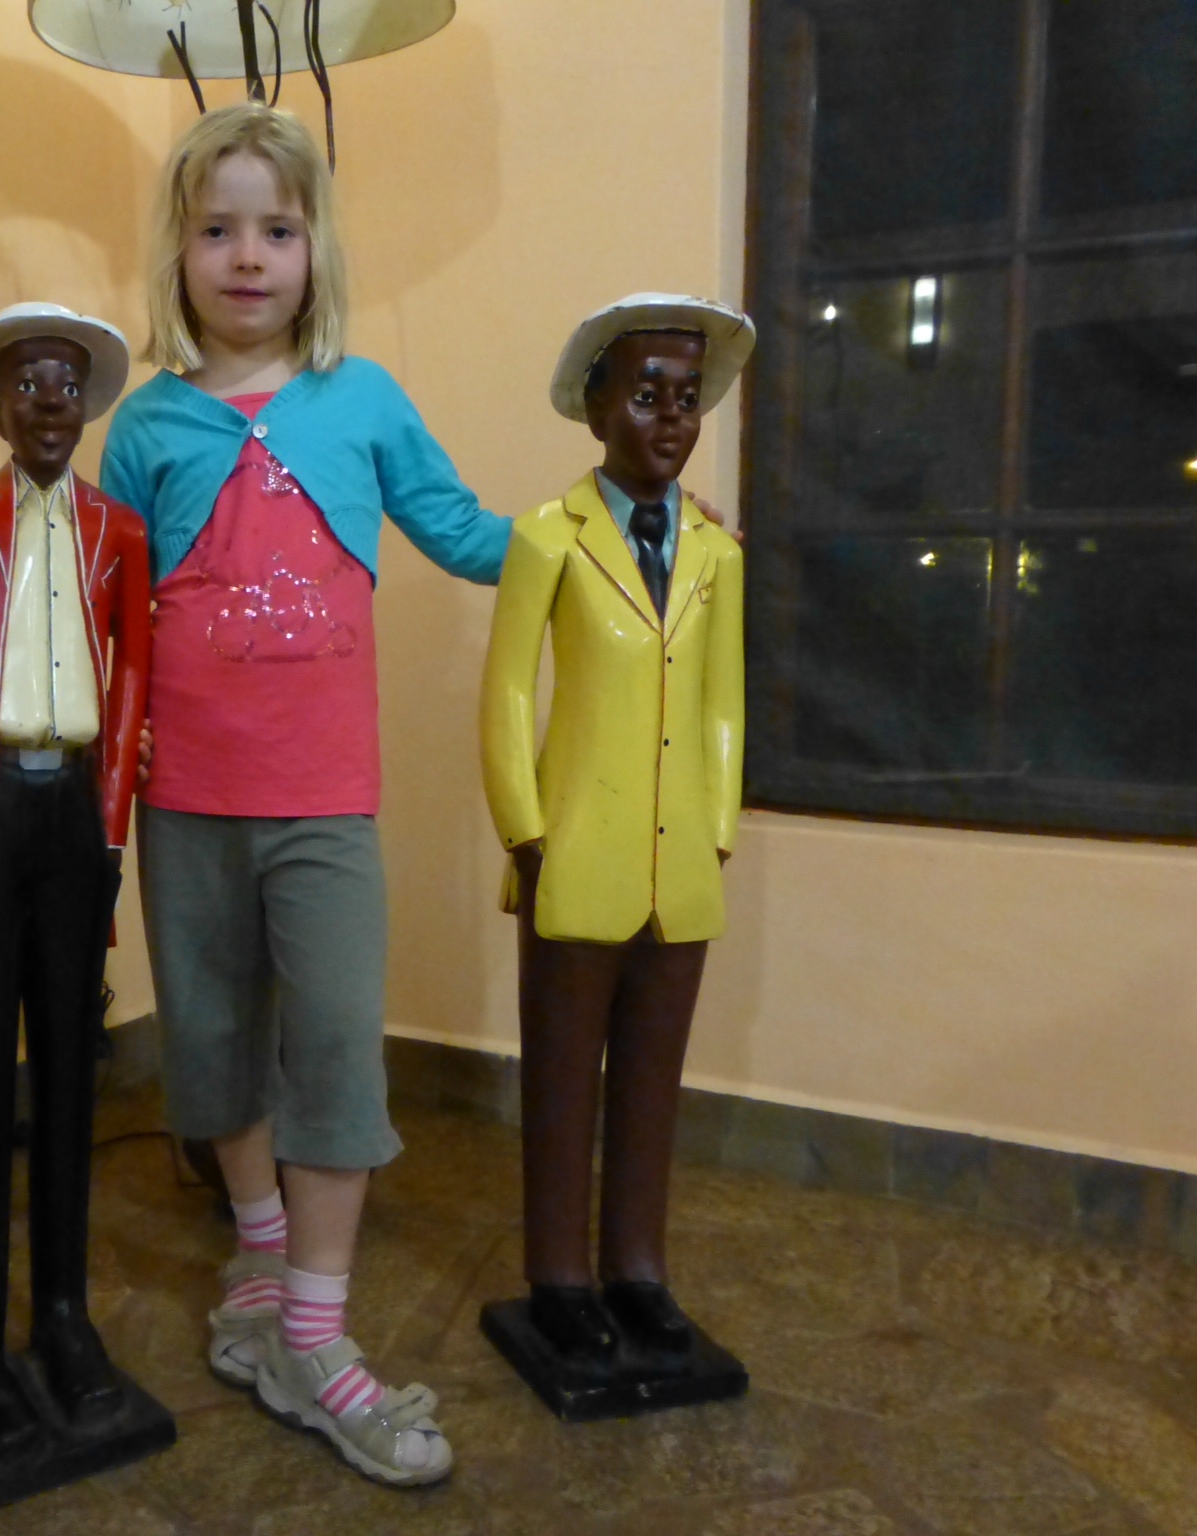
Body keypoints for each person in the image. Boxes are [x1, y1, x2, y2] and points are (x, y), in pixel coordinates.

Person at [99, 102, 504, 1487]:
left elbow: (466, 534)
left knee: (331, 1050)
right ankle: (262, 1261)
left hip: (324, 800)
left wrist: (622, 523)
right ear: (178, 254)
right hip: (184, 802)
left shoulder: (362, 400)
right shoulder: (144, 424)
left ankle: (316, 1340)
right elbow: (105, 613)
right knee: (213, 1047)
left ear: (315, 247)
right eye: (217, 229)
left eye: (276, 228)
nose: (247, 255)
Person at [480, 295, 751, 1384]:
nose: (671, 418)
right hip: (574, 850)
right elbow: (507, 693)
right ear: (596, 409)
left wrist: (717, 826)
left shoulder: (715, 553)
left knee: (651, 1077)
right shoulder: (547, 538)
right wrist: (526, 829)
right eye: (645, 395)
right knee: (560, 1077)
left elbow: (724, 701)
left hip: (678, 858)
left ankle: (637, 1266)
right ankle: (558, 1276)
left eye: (686, 397)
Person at [0, 304, 154, 1465]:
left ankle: (62, 1314)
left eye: (66, 382)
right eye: (27, 383)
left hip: (72, 814)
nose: (48, 401)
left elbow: (133, 679)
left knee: (69, 1070)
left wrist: (110, 827)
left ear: (89, 399)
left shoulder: (119, 529)